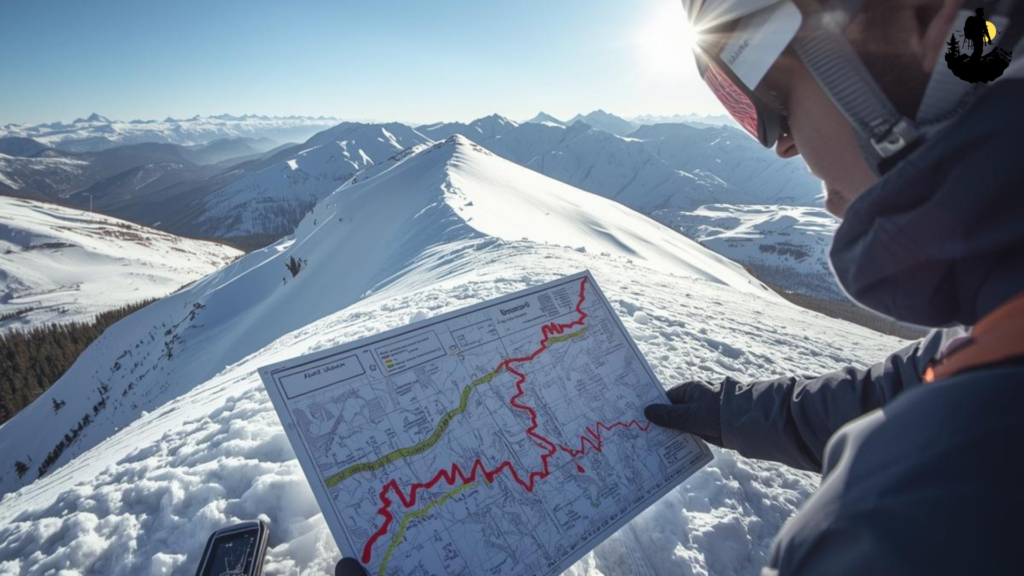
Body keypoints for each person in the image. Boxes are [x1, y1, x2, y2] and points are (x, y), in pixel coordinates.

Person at [644, 0, 1024, 574]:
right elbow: (911, 384)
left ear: (927, 19)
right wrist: (726, 413)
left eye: (768, 101)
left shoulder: (905, 521)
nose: (781, 145)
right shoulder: (1001, 317)